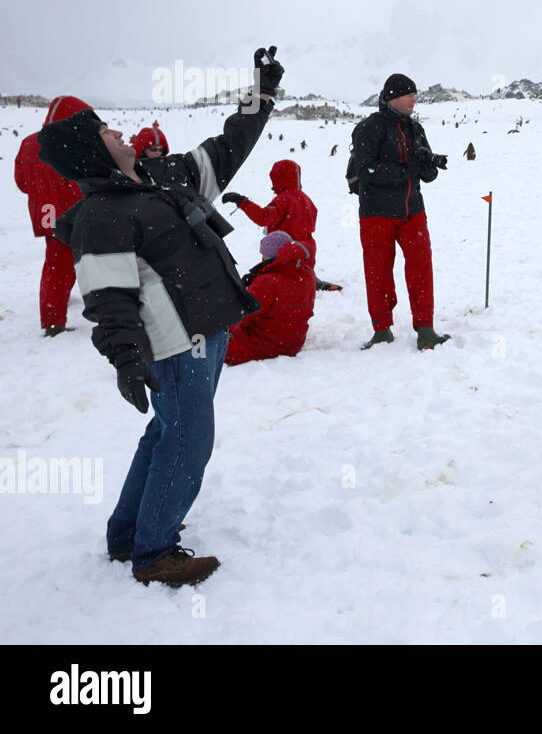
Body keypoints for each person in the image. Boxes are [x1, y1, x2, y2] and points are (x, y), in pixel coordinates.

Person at [37, 45, 283, 587]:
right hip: (176, 345)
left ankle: (128, 534)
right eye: (105, 132)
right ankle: (154, 553)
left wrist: (260, 95)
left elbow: (227, 147)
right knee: (188, 438)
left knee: (167, 432)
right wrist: (126, 358)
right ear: (90, 152)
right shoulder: (103, 215)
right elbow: (107, 299)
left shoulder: (161, 174)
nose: (120, 134)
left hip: (210, 330)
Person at [348, 73, 451, 350]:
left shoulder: (415, 128)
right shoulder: (369, 127)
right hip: (376, 214)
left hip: (412, 210)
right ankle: (382, 329)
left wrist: (428, 167)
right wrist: (408, 169)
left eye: (415, 94)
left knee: (421, 268)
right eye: (407, 95)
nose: (413, 99)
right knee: (378, 272)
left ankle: (426, 328)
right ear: (392, 97)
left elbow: (425, 174)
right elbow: (366, 170)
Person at [13, 96, 94, 336]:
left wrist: (43, 195)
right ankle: (53, 322)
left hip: (47, 215)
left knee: (60, 263)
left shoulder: (29, 143)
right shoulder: (73, 142)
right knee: (62, 265)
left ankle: (58, 301)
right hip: (72, 215)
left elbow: (21, 182)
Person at [221, 159, 342, 291]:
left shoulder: (283, 199)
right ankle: (313, 282)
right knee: (301, 274)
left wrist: (241, 201)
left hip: (285, 250)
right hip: (305, 249)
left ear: (279, 178)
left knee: (279, 278)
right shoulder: (305, 199)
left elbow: (263, 217)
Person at [224, 231, 316, 365]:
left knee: (209, 344)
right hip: (294, 341)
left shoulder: (268, 281)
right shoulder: (307, 272)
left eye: (265, 256)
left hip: (265, 346)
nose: (262, 259)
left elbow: (242, 315)